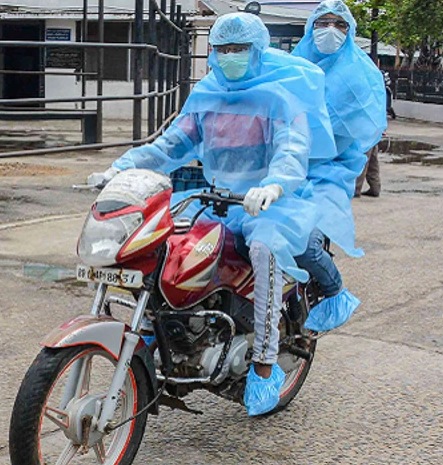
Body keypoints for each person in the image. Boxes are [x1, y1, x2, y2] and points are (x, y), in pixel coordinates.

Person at [87, 13, 337, 416]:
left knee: (262, 249)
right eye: (223, 49)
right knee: (164, 248)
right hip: (216, 198)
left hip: (267, 202)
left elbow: (292, 151)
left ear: (257, 52)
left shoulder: (279, 99)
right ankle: (160, 332)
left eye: (239, 49)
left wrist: (273, 185)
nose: (230, 56)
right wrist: (122, 168)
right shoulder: (205, 97)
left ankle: (264, 360)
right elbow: (169, 145)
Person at [290, 0, 387, 317]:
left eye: (339, 24)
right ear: (310, 27)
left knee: (304, 248)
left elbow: (360, 132)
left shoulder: (360, 75)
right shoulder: (294, 67)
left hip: (327, 177)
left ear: (350, 30)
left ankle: (334, 292)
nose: (330, 30)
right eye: (323, 23)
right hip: (284, 169)